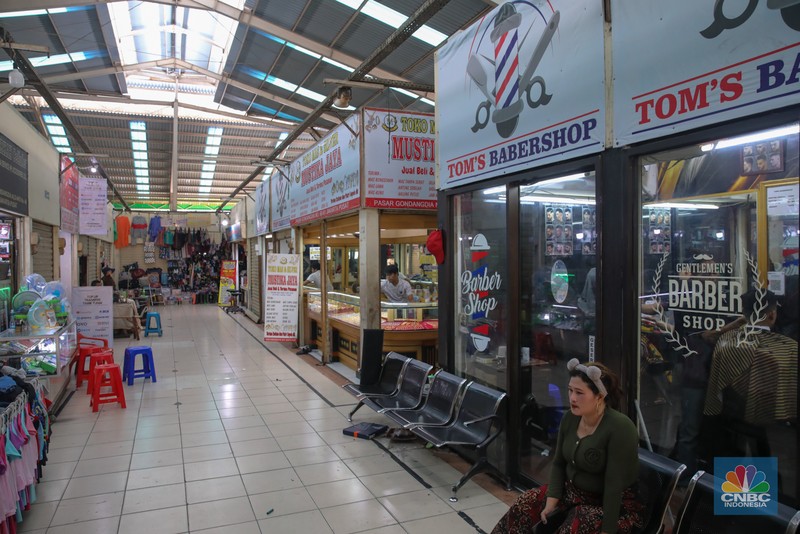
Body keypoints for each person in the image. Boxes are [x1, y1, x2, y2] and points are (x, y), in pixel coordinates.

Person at [492, 360, 643, 534]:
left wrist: (607, 531)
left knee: (574, 525)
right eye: (570, 390)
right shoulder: (570, 419)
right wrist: (551, 501)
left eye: (579, 393)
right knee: (526, 502)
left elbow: (613, 485)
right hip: (574, 493)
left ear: (600, 396)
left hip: (613, 506)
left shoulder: (620, 428)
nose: (572, 398)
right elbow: (558, 463)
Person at [703, 289, 797, 459]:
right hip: (768, 422)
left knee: (734, 466)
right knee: (760, 459)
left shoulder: (726, 342)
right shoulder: (786, 349)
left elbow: (711, 374)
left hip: (731, 416)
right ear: (772, 315)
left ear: (744, 314)